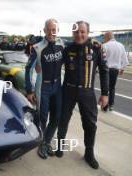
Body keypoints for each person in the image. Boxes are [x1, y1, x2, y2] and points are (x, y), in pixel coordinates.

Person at [56, 21, 109, 169]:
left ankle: (89, 153)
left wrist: (105, 94)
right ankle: (60, 146)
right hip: (68, 90)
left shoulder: (96, 48)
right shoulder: (66, 48)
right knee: (63, 120)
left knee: (90, 124)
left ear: (88, 32)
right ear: (73, 33)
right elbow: (55, 66)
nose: (79, 34)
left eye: (82, 32)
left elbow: (104, 71)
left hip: (87, 92)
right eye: (76, 32)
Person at [25, 19, 64, 159]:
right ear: (45, 30)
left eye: (54, 29)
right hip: (43, 87)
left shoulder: (62, 44)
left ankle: (46, 142)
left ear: (57, 30)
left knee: (57, 116)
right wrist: (29, 90)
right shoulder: (37, 47)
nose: (52, 32)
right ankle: (41, 144)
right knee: (43, 117)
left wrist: (93, 43)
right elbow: (28, 69)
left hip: (58, 86)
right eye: (49, 29)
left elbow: (78, 46)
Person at [102, 31, 129, 111]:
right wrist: (122, 68)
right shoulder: (121, 46)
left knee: (105, 87)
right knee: (112, 87)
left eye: (105, 37)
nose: (104, 39)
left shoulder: (104, 45)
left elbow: (101, 59)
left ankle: (105, 106)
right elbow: (125, 60)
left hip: (106, 69)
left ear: (107, 37)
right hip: (115, 70)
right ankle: (111, 105)